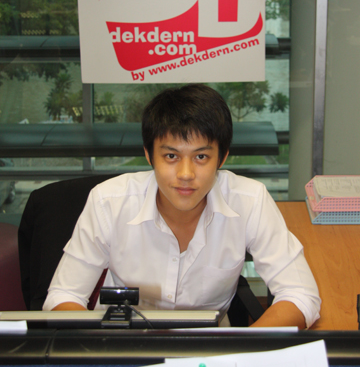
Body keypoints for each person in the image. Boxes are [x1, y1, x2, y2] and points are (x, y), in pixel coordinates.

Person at [43, 84, 320, 328]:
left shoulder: (250, 201)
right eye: (171, 156)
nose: (186, 174)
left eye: (201, 157)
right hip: (123, 343)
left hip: (208, 349)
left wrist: (242, 352)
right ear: (149, 155)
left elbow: (300, 294)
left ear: (222, 158)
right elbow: (63, 296)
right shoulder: (108, 203)